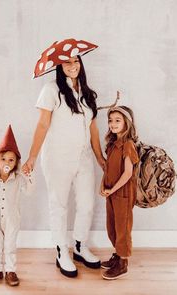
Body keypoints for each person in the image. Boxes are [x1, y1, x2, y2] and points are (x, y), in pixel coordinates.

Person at [22, 54, 105, 278]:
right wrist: (31, 157)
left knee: (87, 203)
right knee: (58, 205)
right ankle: (61, 250)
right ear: (60, 67)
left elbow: (94, 129)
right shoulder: (51, 90)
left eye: (76, 61)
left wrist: (100, 159)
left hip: (84, 157)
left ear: (81, 64)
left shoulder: (87, 93)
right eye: (67, 62)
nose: (72, 66)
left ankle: (79, 245)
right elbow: (42, 124)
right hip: (58, 157)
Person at [0, 125, 34, 287]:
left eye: (11, 160)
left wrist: (30, 177)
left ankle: (10, 271)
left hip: (12, 219)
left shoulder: (18, 179)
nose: (7, 163)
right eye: (3, 159)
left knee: (10, 245)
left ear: (16, 162)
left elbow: (29, 192)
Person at [100, 106, 139, 280]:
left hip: (122, 193)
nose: (113, 123)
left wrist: (112, 189)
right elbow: (107, 169)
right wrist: (103, 185)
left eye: (118, 120)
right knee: (112, 226)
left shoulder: (128, 145)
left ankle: (123, 263)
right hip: (111, 193)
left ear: (127, 123)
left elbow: (128, 173)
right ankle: (117, 254)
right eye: (110, 120)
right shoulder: (111, 145)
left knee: (122, 228)